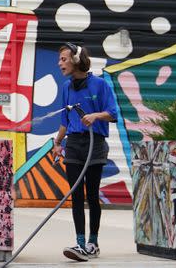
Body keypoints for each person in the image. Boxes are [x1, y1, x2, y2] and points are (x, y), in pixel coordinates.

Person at [50, 42, 118, 262]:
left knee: (92, 196)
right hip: (73, 145)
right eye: (60, 59)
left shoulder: (100, 84)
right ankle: (79, 244)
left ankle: (93, 243)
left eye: (64, 59)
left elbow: (113, 113)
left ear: (77, 60)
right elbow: (64, 120)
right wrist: (58, 143)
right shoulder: (66, 87)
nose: (60, 63)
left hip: (94, 144)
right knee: (76, 196)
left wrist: (95, 116)